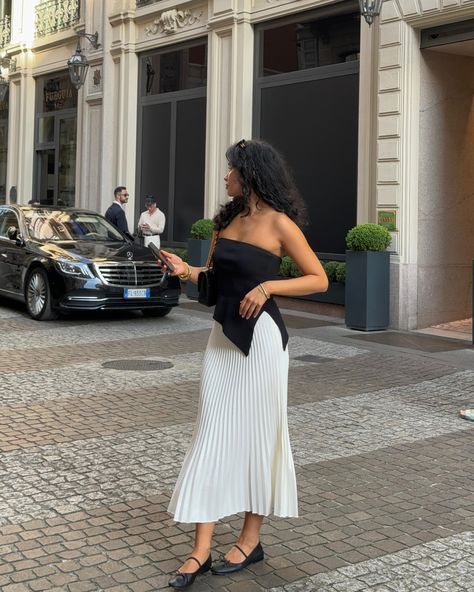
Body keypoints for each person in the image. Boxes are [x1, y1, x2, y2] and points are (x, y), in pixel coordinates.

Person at [158, 139, 328, 590]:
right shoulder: (226, 221)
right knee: (212, 431)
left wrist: (269, 286)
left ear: (249, 174)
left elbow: (319, 277)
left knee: (261, 436)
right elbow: (213, 284)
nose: (225, 177)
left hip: (265, 344)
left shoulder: (280, 223)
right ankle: (200, 551)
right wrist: (184, 271)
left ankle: (250, 540)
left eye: (231, 170)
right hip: (223, 339)